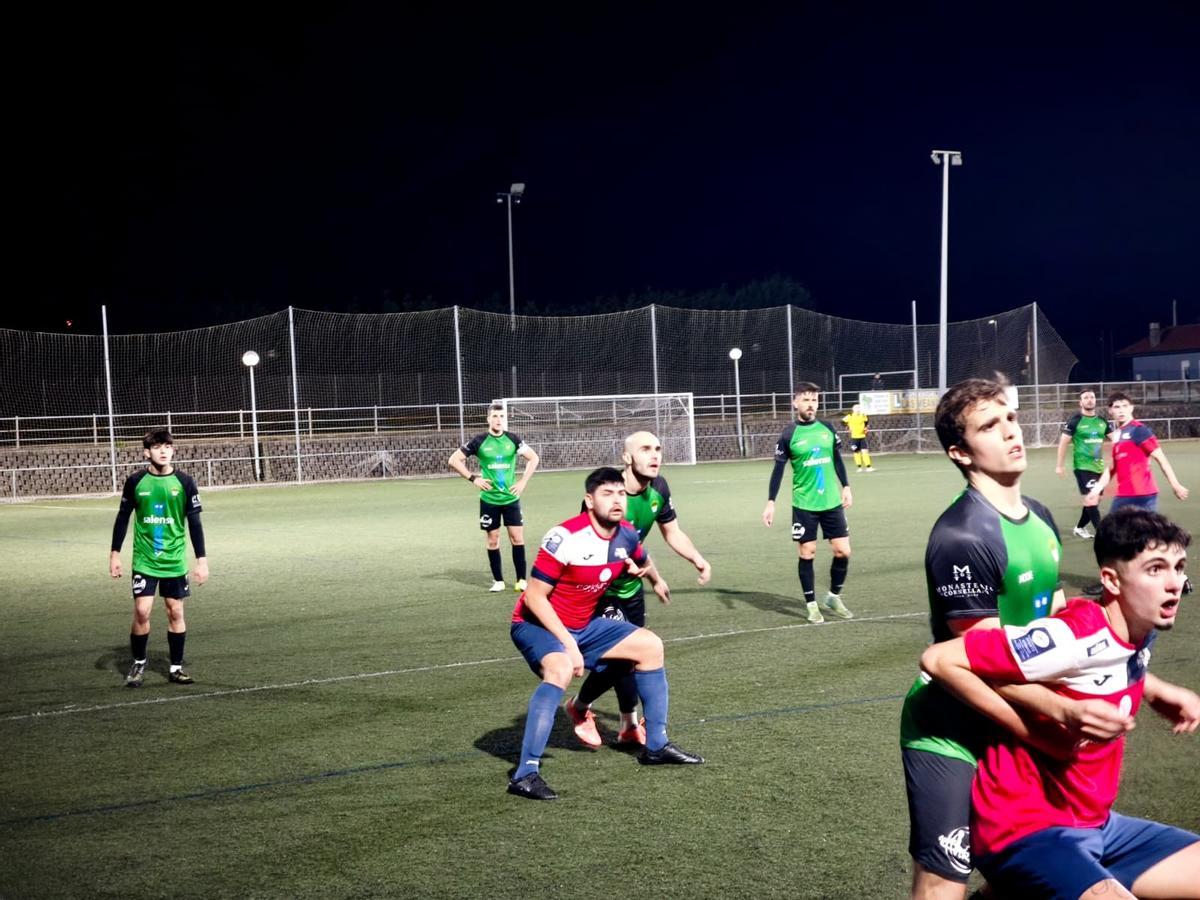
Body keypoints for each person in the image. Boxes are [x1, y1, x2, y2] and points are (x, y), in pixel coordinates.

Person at [920, 508, 1200, 900]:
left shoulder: (1137, 635)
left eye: (1178, 567)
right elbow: (939, 660)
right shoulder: (1071, 636)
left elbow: (1108, 667)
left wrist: (1156, 690)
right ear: (1111, 580)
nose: (1174, 584)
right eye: (1155, 569)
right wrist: (1052, 717)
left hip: (1098, 827)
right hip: (1025, 830)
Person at [900, 378, 1071, 900]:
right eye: (990, 426)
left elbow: (1057, 617)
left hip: (1020, 721)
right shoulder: (963, 535)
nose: (1011, 433)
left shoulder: (1039, 516)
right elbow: (986, 661)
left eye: (1011, 419)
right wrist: (1064, 718)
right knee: (944, 881)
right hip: (951, 733)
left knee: (1032, 868)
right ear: (960, 452)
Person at [507, 467, 704, 800]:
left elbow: (642, 557)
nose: (616, 500)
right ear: (589, 500)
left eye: (621, 494)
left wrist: (654, 579)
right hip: (536, 625)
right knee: (561, 669)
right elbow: (534, 597)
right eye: (607, 493)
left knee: (650, 646)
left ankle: (655, 746)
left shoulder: (626, 534)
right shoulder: (564, 536)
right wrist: (569, 644)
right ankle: (525, 774)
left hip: (585, 625)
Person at [563, 431, 712, 748]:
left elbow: (670, 532)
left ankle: (628, 726)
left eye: (658, 448)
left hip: (631, 588)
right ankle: (579, 707)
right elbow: (586, 546)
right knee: (623, 657)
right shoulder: (608, 494)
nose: (655, 454)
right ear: (627, 457)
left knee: (633, 656)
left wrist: (691, 561)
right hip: (601, 590)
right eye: (645, 449)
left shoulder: (659, 487)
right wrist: (622, 562)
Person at [109, 428, 209, 687]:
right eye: (157, 447)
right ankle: (139, 663)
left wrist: (201, 560)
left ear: (173, 450)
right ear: (147, 452)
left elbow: (195, 524)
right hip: (145, 559)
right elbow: (122, 519)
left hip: (174, 560)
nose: (163, 451)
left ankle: (176, 668)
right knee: (142, 611)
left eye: (167, 446)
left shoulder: (186, 483)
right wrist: (115, 555)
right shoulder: (135, 482)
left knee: (175, 611)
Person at [762, 383, 854, 624]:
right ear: (795, 403)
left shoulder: (827, 428)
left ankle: (833, 596)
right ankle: (812, 605)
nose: (811, 404)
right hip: (804, 504)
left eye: (814, 400)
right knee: (807, 553)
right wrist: (771, 502)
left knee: (843, 551)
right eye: (805, 400)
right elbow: (778, 471)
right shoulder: (788, 435)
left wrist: (846, 486)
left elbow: (837, 460)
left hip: (831, 501)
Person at [448, 403, 540, 592]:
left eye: (501, 416)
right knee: (493, 539)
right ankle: (498, 581)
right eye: (495, 416)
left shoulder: (513, 439)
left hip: (510, 499)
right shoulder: (479, 441)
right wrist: (473, 479)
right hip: (489, 499)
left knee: (517, 538)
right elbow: (454, 460)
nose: (498, 420)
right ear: (488, 419)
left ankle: (521, 580)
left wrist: (523, 482)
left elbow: (534, 458)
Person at [1087, 391, 1188, 513]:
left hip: (1144, 496)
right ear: (1110, 411)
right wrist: (1096, 490)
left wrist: (1175, 485)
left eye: (1125, 406)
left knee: (1146, 532)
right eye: (1117, 407)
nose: (1121, 410)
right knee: (1112, 531)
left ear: (1131, 408)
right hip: (1123, 495)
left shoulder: (1139, 430)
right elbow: (1112, 468)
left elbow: (1161, 459)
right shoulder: (1117, 435)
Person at [1056, 389, 1113, 539]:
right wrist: (1059, 465)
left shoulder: (1102, 422)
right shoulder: (1075, 421)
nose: (1089, 400)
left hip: (1098, 467)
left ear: (1095, 400)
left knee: (1095, 499)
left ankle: (1080, 527)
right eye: (1085, 398)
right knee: (1092, 499)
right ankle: (1103, 535)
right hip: (1082, 467)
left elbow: (1117, 439)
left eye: (1092, 397)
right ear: (1080, 402)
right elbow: (1063, 443)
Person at [842, 404, 875, 472]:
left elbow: (866, 421)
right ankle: (859, 467)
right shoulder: (850, 416)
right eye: (856, 408)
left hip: (862, 437)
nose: (858, 409)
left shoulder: (863, 415)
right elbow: (842, 422)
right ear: (853, 409)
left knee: (865, 451)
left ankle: (868, 467)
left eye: (859, 408)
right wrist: (847, 427)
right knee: (856, 452)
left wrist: (866, 427)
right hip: (854, 437)